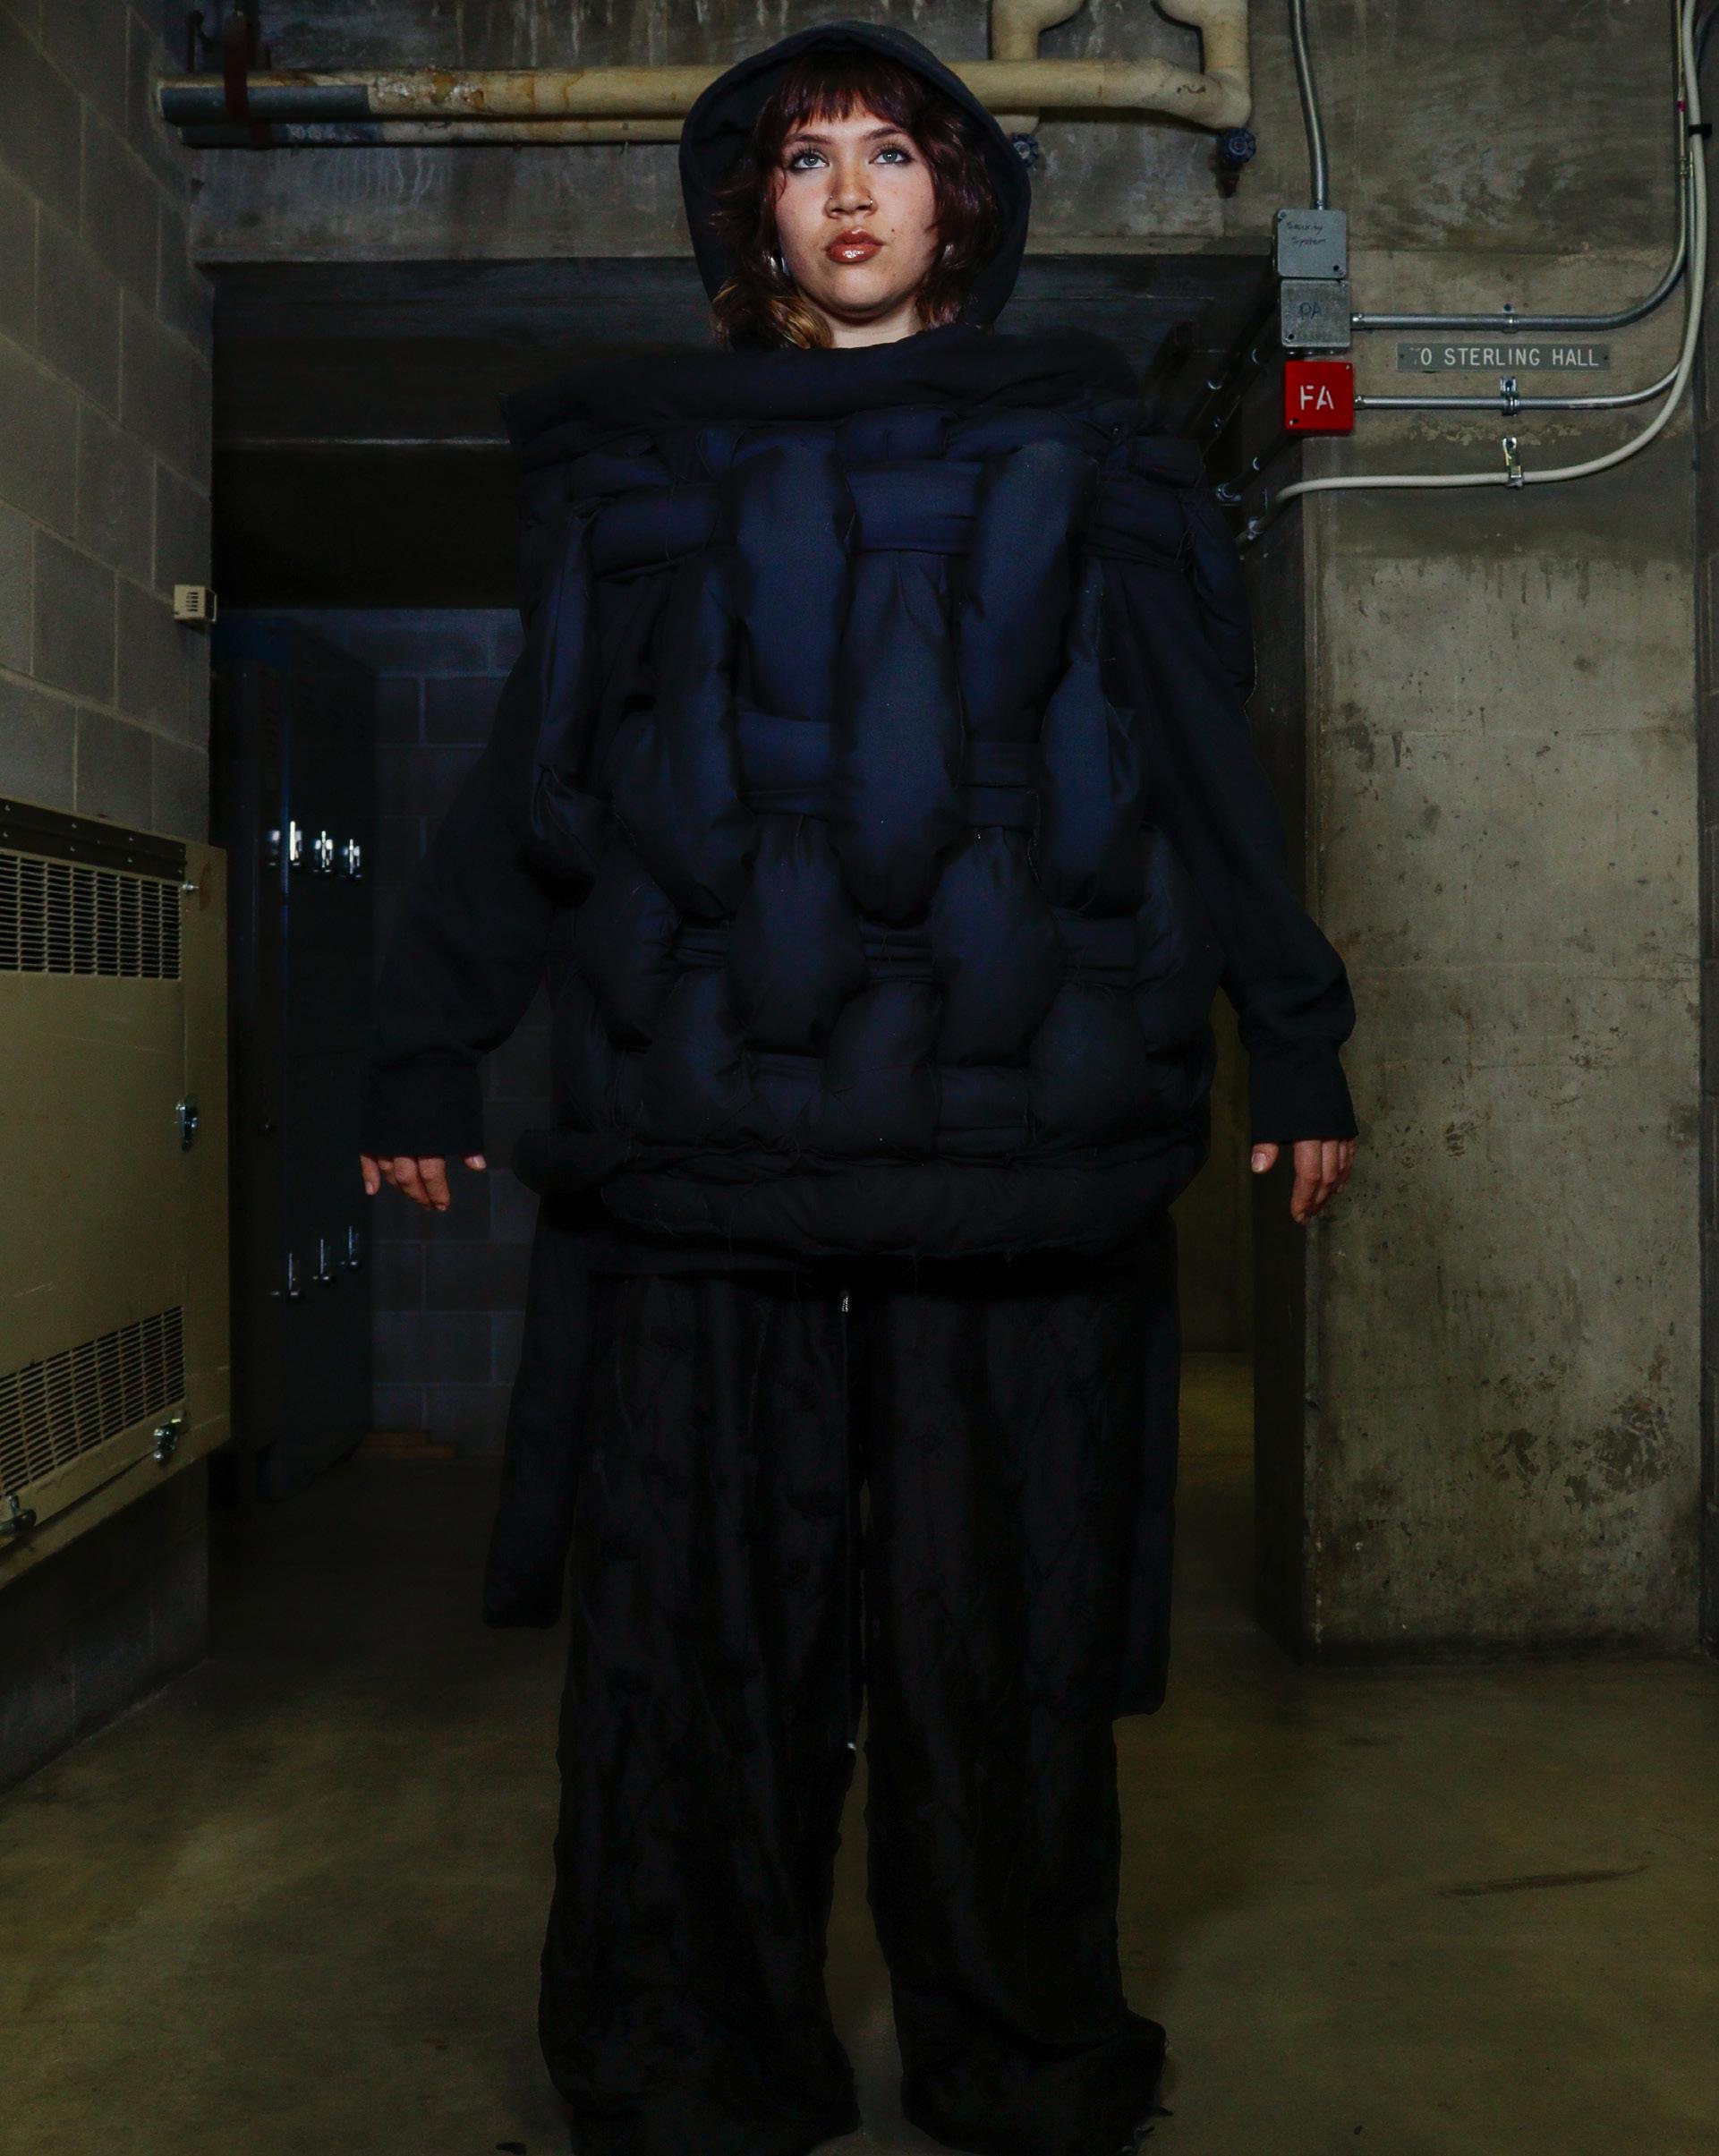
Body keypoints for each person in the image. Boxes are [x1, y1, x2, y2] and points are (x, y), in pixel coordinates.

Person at [358, 21, 1357, 2156]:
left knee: (996, 1647)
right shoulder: (647, 473)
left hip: (1011, 1157)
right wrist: (424, 1038)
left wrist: (1297, 1032)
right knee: (696, 1642)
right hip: (705, 1159)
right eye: (802, 157)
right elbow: (540, 776)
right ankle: (688, 2055)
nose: (844, 190)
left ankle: (1017, 2047)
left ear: (959, 203)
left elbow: (1201, 766)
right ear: (750, 215)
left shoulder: (1084, 451)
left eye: (891, 152)